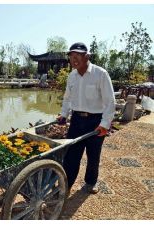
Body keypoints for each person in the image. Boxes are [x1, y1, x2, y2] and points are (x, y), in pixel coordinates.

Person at [57, 42, 115, 194]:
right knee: (71, 155)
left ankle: (91, 182)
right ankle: (66, 185)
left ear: (87, 56)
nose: (74, 60)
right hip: (76, 120)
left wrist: (104, 124)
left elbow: (110, 101)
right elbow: (67, 98)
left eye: (77, 56)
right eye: (71, 57)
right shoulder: (72, 76)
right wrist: (64, 115)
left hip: (95, 121)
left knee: (93, 154)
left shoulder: (100, 74)